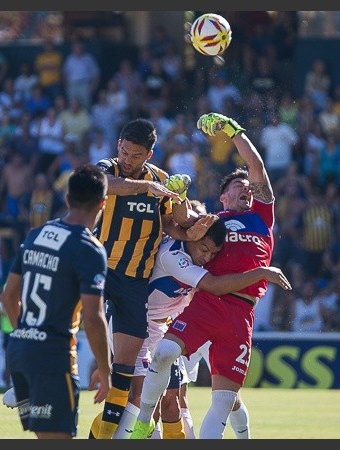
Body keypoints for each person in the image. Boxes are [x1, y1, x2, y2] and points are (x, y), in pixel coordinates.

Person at [130, 111, 278, 439]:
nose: (247, 189)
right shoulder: (213, 221)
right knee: (167, 357)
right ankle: (143, 423)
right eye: (239, 187)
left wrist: (233, 130)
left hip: (241, 312)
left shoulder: (262, 217)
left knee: (225, 401)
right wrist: (179, 195)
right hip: (206, 302)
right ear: (223, 198)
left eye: (249, 187)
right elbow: (184, 219)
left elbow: (257, 166)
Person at [90, 118, 203, 439]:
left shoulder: (162, 182)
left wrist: (183, 203)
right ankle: (29, 381)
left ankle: (108, 431)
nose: (127, 160)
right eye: (124, 152)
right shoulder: (107, 168)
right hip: (100, 270)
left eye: (135, 156)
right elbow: (103, 184)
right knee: (59, 317)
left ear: (149, 155)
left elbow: (173, 223)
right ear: (118, 146)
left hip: (135, 283)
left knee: (126, 376)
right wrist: (146, 187)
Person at [1, 164, 112, 439]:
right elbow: (94, 316)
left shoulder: (37, 234)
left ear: (66, 199)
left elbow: (8, 296)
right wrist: (105, 368)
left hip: (19, 351)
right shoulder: (89, 248)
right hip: (53, 356)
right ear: (103, 203)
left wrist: (26, 334)